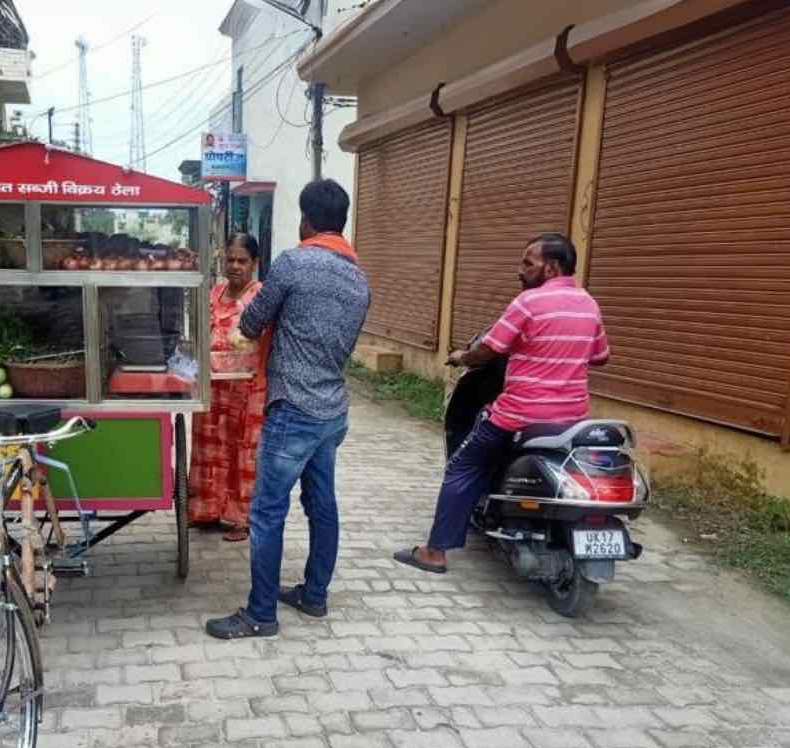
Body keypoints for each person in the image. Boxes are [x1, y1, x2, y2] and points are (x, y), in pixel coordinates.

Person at [205, 180, 370, 639]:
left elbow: (253, 321)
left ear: (306, 220)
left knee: (266, 512)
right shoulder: (359, 277)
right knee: (322, 505)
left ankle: (260, 614)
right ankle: (314, 596)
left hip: (293, 408)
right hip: (332, 410)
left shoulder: (294, 262)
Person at [395, 233, 610, 574]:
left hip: (519, 415)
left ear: (552, 268)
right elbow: (601, 356)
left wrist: (463, 356)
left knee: (462, 467)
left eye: (528, 263)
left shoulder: (528, 303)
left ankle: (434, 552)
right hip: (571, 419)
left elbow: (489, 350)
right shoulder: (589, 303)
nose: (519, 270)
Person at [189, 233, 268, 541]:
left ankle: (241, 518)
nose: (235, 266)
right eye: (230, 260)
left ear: (255, 263)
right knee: (211, 448)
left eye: (242, 261)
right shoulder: (215, 292)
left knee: (242, 452)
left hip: (247, 389)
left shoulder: (260, 296)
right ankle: (206, 509)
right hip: (214, 385)